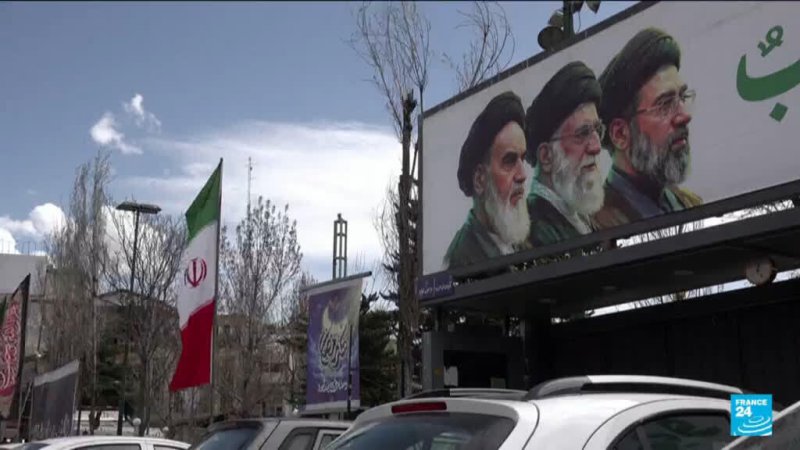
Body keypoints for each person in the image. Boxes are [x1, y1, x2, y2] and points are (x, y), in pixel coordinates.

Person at [595, 27, 702, 229]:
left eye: (683, 97)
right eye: (665, 104)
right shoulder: (596, 226)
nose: (684, 116)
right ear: (620, 134)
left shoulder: (691, 204)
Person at [443, 91, 530, 270]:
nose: (522, 175)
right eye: (509, 161)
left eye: (523, 159)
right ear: (480, 180)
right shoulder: (461, 261)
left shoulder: (519, 244)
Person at [524, 61, 606, 247]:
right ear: (546, 156)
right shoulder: (534, 231)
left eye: (598, 130)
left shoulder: (579, 215)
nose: (596, 147)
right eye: (583, 133)